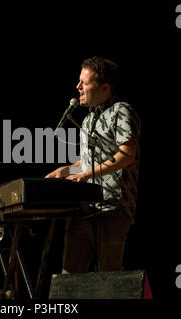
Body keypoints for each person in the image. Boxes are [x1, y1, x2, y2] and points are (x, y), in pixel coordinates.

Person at [45, 56, 141, 273]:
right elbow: (89, 161)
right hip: (84, 207)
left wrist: (86, 175)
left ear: (105, 88)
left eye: (84, 82)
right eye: (79, 81)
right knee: (70, 274)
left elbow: (127, 154)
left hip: (112, 207)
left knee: (109, 275)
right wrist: (65, 170)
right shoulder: (88, 120)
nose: (77, 86)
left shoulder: (121, 110)